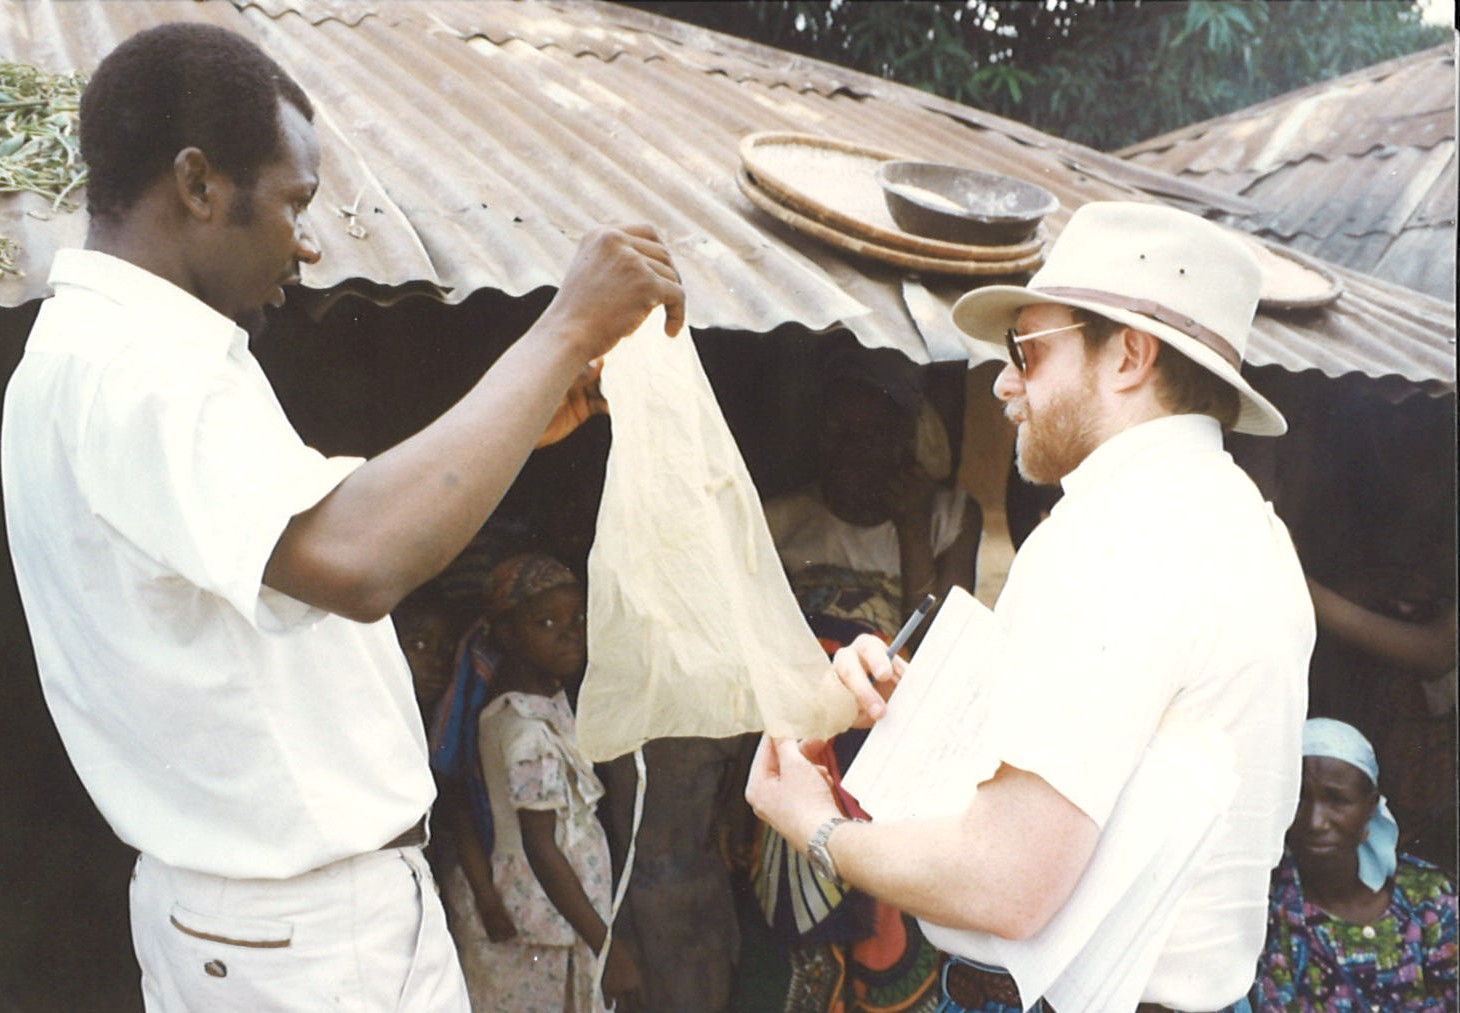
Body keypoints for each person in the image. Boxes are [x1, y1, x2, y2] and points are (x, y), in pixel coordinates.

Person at [0, 22, 682, 1011]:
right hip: (300, 937)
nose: (309, 240)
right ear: (197, 186)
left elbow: (308, 515)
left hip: (281, 923)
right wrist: (564, 326)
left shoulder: (107, 354)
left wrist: (517, 420)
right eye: (292, 203)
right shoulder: (138, 372)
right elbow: (356, 555)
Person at [746, 201, 1316, 1013]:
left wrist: (816, 828)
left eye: (1027, 351)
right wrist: (927, 713)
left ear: (1128, 356)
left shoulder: (1110, 532)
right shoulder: (1247, 529)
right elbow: (1121, 775)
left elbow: (1005, 883)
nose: (1005, 382)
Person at [752, 344, 980, 1013]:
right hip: (808, 761)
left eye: (874, 432)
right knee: (804, 938)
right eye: (841, 431)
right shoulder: (785, 519)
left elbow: (940, 650)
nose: (854, 448)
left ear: (908, 443)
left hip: (900, 764)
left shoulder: (948, 516)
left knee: (890, 937)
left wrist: (911, 527)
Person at [454, 553, 641, 1013]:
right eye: (547, 622)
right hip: (538, 909)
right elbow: (541, 845)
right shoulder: (525, 731)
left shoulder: (547, 700)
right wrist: (607, 946)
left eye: (576, 617)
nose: (569, 632)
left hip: (558, 908)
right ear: (507, 635)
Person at [1251, 717, 1456, 1010]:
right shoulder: (1267, 908)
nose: (1315, 821)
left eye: (1337, 800)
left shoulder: (1431, 898)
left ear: (1370, 806)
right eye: (1299, 799)